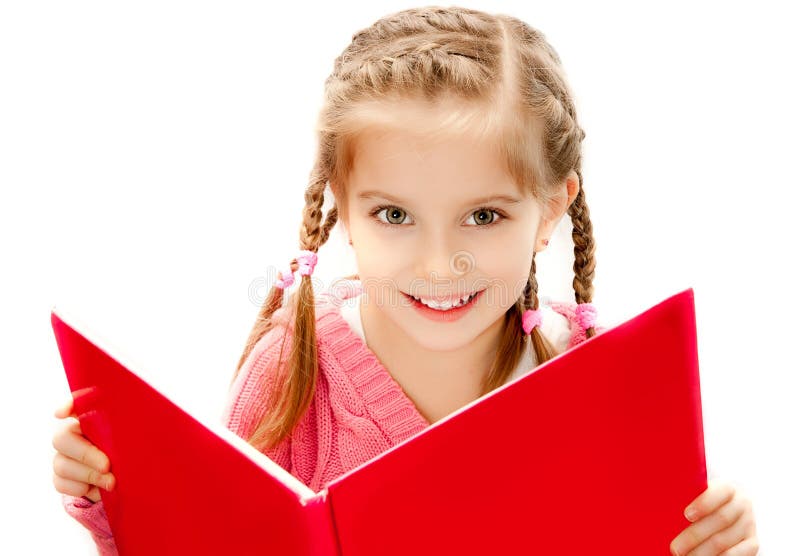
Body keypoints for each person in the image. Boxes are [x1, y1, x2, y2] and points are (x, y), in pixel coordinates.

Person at [51, 6, 759, 555]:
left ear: (549, 208)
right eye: (394, 214)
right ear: (344, 207)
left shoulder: (600, 374)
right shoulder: (291, 373)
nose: (437, 263)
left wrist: (713, 540)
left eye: (483, 215)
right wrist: (117, 500)